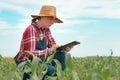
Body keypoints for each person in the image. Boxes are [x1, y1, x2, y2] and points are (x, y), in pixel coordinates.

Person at [15, 5, 73, 80]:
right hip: (27, 64)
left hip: (40, 60)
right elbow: (29, 53)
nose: (52, 22)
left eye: (53, 20)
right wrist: (50, 50)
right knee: (55, 71)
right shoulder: (31, 29)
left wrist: (64, 48)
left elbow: (53, 47)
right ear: (42, 17)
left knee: (62, 54)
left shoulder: (47, 30)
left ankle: (59, 76)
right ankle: (55, 74)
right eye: (50, 19)